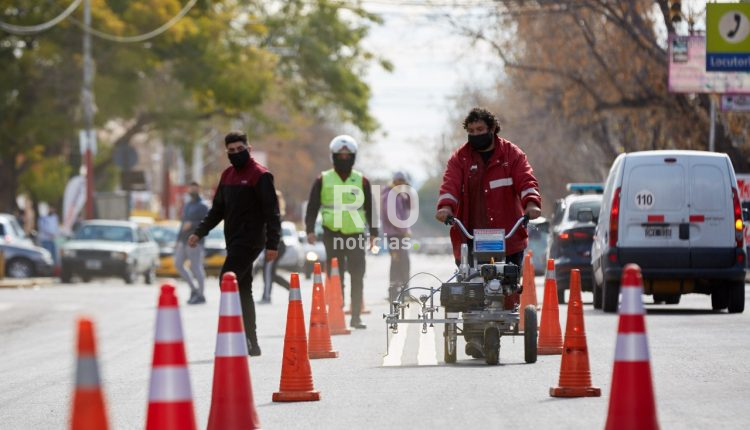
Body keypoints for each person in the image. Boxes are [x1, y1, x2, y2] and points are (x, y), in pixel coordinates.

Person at [435, 107, 542, 358]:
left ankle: (496, 328)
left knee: (507, 285)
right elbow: (450, 185)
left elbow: (526, 180)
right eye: (471, 131)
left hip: (508, 236)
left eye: (480, 130)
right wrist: (445, 208)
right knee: (472, 288)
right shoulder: (460, 159)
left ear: (492, 129)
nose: (476, 134)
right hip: (470, 236)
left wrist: (531, 203)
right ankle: (474, 338)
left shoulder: (511, 155)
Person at [188, 131, 281, 357]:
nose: (236, 154)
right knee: (243, 288)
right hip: (233, 240)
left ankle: (236, 336)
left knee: (226, 280)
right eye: (231, 151)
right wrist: (199, 233)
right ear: (227, 153)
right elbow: (217, 210)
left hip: (251, 240)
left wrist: (272, 244)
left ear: (248, 149)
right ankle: (252, 342)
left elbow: (272, 213)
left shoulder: (260, 175)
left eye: (240, 150)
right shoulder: (227, 175)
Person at [305, 135, 378, 329]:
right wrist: (310, 230)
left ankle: (355, 317)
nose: (344, 158)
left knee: (357, 274)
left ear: (353, 156)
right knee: (336, 276)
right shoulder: (323, 179)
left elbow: (371, 208)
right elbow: (312, 206)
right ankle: (337, 311)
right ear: (333, 156)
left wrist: (374, 233)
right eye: (340, 155)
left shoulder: (362, 180)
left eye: (348, 155)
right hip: (332, 232)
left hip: (355, 234)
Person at [175, 182, 209, 305]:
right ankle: (193, 290)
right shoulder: (188, 205)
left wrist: (193, 224)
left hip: (195, 241)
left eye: (194, 188)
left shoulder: (203, 205)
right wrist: (177, 240)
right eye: (190, 188)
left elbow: (207, 223)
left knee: (196, 267)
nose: (192, 190)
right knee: (178, 264)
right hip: (183, 240)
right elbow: (183, 223)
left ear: (199, 189)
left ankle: (200, 294)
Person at [381, 171, 412, 302]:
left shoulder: (398, 195)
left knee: (400, 262)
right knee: (400, 262)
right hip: (395, 235)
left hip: (398, 234)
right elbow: (393, 216)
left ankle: (400, 291)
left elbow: (409, 206)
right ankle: (396, 292)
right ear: (396, 181)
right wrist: (404, 229)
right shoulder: (390, 195)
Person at [258, 189, 290, 304]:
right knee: (271, 273)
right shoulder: (272, 212)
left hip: (275, 246)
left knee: (267, 272)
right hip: (274, 245)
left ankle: (266, 297)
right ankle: (292, 289)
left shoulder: (274, 213)